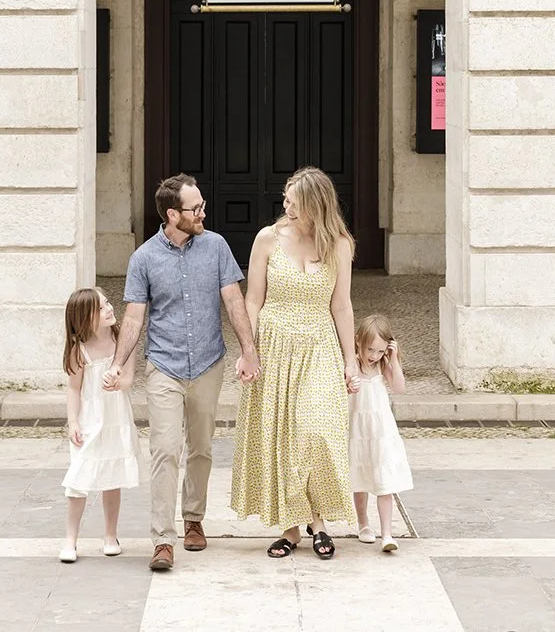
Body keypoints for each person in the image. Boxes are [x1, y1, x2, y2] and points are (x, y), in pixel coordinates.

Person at [104, 173, 260, 572]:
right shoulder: (143, 259)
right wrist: (118, 365)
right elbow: (135, 318)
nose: (203, 213)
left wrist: (249, 350)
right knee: (164, 449)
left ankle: (193, 518)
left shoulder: (217, 247)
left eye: (202, 205)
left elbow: (234, 301)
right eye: (196, 209)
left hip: (209, 363)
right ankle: (162, 539)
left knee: (201, 448)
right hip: (165, 367)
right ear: (173, 215)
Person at [231, 166, 359, 560]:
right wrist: (247, 350)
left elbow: (341, 304)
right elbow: (252, 299)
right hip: (274, 344)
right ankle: (292, 527)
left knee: (316, 430)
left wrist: (350, 360)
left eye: (294, 202)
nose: (285, 207)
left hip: (319, 344)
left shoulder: (339, 244)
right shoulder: (267, 239)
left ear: (315, 206)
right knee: (283, 437)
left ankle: (318, 519)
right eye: (285, 199)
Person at [58, 287, 139, 563]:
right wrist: (72, 422)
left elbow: (129, 379)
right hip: (90, 420)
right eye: (101, 307)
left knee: (111, 478)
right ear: (85, 318)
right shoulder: (79, 349)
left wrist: (118, 382)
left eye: (107, 302)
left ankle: (110, 534)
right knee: (79, 480)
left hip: (116, 417)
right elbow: (73, 388)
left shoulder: (122, 339)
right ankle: (71, 538)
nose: (109, 308)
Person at [350, 313, 412, 553]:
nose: (373, 356)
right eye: (370, 350)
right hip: (358, 428)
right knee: (360, 477)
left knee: (384, 480)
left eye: (379, 351)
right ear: (358, 341)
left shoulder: (383, 365)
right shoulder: (353, 364)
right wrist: (349, 386)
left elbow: (399, 388)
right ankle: (363, 523)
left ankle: (387, 533)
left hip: (381, 430)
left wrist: (393, 359)